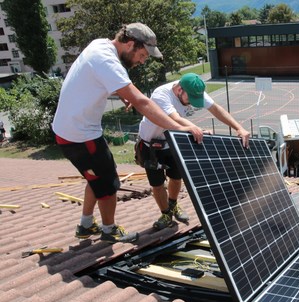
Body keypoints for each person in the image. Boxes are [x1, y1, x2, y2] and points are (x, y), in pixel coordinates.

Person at [52, 23, 204, 243]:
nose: (143, 60)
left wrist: (121, 92)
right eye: (142, 55)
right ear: (130, 44)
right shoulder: (107, 60)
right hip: (81, 135)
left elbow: (100, 78)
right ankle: (108, 230)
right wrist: (180, 127)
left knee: (95, 177)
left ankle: (85, 225)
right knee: (108, 183)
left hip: (70, 130)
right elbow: (142, 102)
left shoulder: (100, 46)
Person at [134, 73, 250, 230]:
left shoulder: (193, 87)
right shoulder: (161, 95)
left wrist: (239, 128)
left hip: (172, 142)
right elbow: (175, 119)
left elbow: (216, 109)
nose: (191, 105)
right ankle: (166, 213)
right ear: (180, 89)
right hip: (151, 145)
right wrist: (195, 129)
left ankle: (173, 204)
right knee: (158, 184)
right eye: (190, 100)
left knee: (176, 178)